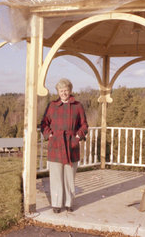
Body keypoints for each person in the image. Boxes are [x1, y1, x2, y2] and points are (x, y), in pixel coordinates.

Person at [41, 78, 88, 213]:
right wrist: (50, 135)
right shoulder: (52, 106)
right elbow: (44, 123)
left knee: (69, 176)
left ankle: (69, 203)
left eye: (66, 90)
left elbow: (84, 125)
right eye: (61, 91)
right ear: (58, 92)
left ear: (70, 91)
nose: (63, 93)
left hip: (71, 146)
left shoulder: (77, 106)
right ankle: (56, 204)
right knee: (55, 176)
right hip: (56, 145)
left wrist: (77, 137)